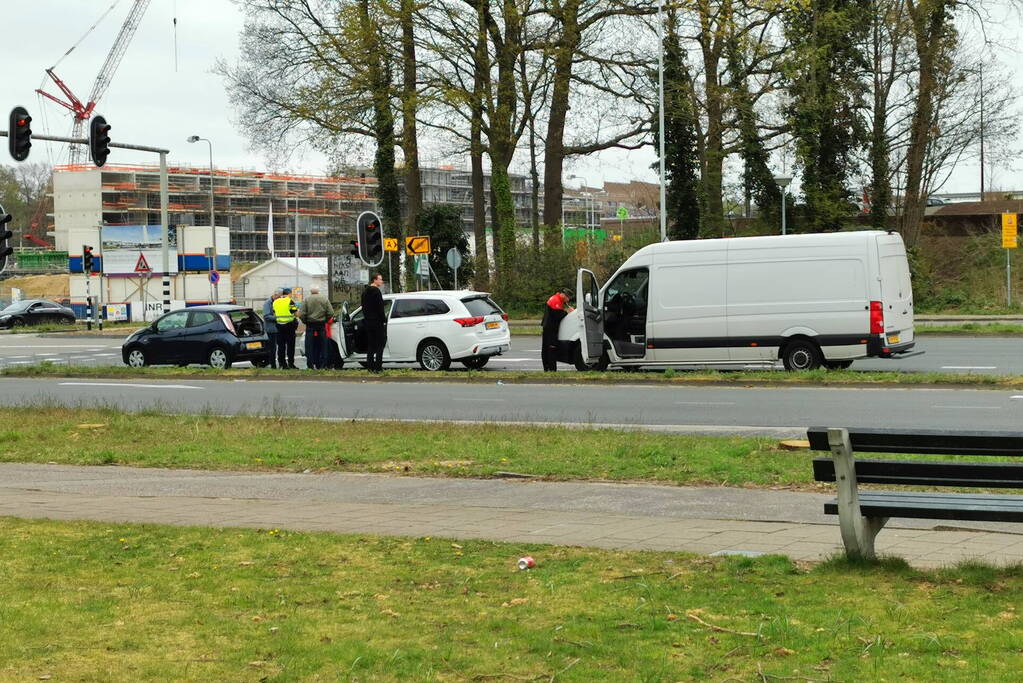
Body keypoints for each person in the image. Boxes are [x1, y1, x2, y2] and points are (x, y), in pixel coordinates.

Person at [300, 286, 334, 369]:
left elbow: (302, 313)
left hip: (310, 324)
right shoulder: (324, 299)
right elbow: (331, 312)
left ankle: (310, 365)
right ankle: (323, 364)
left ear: (311, 291)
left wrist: (305, 321)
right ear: (318, 291)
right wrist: (325, 319)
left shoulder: (307, 300)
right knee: (323, 345)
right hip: (321, 324)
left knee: (309, 345)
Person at [541, 288, 573, 372]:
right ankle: (552, 369)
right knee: (551, 348)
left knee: (546, 348)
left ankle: (547, 368)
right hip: (551, 328)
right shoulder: (556, 300)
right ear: (564, 295)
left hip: (548, 327)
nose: (568, 300)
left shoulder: (557, 298)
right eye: (568, 297)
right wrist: (567, 312)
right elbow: (558, 315)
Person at [361, 272, 387, 372]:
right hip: (377, 322)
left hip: (368, 322)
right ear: (374, 280)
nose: (381, 281)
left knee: (371, 345)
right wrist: (383, 319)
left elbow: (363, 307)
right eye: (380, 279)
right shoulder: (376, 291)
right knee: (380, 344)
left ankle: (370, 367)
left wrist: (367, 318)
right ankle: (378, 367)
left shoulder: (364, 292)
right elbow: (380, 308)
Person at [273, 287, 299, 369]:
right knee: (290, 346)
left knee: (281, 346)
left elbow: (274, 313)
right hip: (289, 326)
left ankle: (282, 364)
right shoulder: (289, 301)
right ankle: (291, 363)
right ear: (289, 293)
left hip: (279, 326)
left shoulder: (275, 302)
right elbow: (296, 313)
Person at [261, 288, 282, 368]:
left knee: (279, 347)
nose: (280, 299)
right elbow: (266, 316)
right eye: (279, 297)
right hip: (271, 329)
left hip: (278, 328)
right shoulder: (268, 303)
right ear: (275, 295)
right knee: (272, 348)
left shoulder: (278, 302)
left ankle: (280, 364)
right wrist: (277, 318)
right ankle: (273, 365)